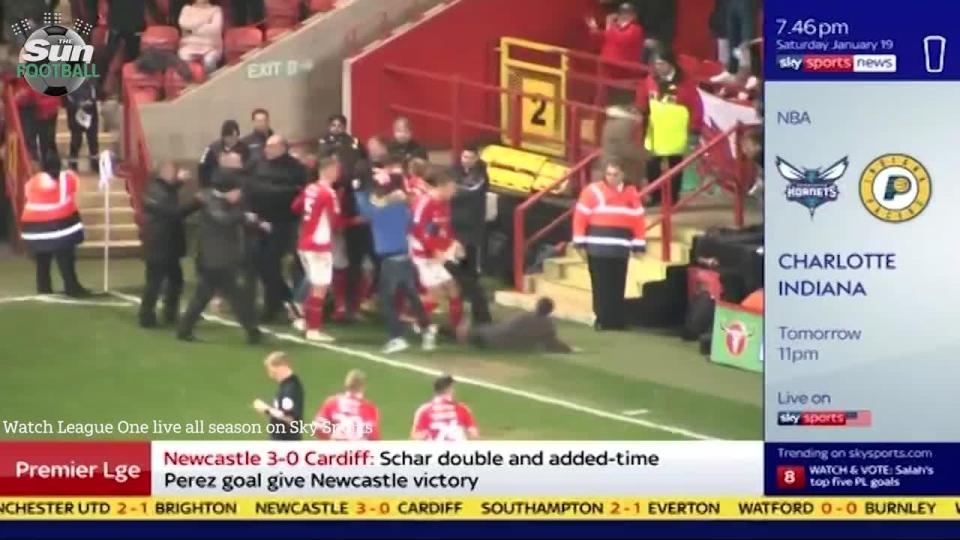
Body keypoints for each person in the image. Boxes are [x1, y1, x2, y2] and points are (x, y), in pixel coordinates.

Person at [177, 164, 262, 343]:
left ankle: (184, 328)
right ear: (228, 190)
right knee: (237, 296)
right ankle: (253, 331)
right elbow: (224, 219)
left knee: (204, 295)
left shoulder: (210, 198)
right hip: (218, 260)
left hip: (213, 258)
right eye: (237, 190)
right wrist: (244, 216)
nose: (239, 194)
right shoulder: (214, 203)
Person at [354, 173, 437, 354]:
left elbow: (364, 207)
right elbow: (419, 223)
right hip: (404, 258)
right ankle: (427, 327)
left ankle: (397, 337)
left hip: (392, 260)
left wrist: (358, 190)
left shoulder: (379, 209)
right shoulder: (401, 207)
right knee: (410, 294)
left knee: (387, 299)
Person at [572, 161, 646, 331]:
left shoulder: (631, 193)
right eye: (609, 174)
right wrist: (580, 244)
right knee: (601, 286)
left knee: (617, 285)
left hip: (620, 249)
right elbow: (580, 218)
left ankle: (615, 320)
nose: (611, 178)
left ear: (623, 176)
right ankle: (602, 319)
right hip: (598, 248)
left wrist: (638, 246)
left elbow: (638, 220)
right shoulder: (592, 191)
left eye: (615, 174)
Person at [246, 134, 308, 322]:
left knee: (271, 263)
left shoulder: (296, 168)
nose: (267, 150)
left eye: (272, 146)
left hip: (283, 223)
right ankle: (283, 299)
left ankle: (277, 304)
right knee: (260, 263)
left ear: (282, 147)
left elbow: (295, 193)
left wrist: (267, 190)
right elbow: (249, 186)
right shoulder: (257, 164)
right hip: (259, 221)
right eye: (267, 146)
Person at [638, 48, 703, 206]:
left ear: (670, 63)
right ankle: (655, 197)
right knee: (651, 166)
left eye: (661, 63)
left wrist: (694, 130)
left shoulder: (685, 83)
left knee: (675, 168)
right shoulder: (650, 80)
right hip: (655, 132)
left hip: (675, 134)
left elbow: (696, 107)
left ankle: (672, 199)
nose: (658, 67)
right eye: (656, 64)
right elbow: (642, 101)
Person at [138, 162, 200, 328]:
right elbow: (174, 212)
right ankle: (148, 316)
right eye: (174, 172)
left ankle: (166, 313)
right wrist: (196, 203)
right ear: (166, 173)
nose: (176, 175)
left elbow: (168, 193)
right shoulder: (159, 193)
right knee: (156, 282)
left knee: (173, 280)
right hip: (162, 244)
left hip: (162, 244)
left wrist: (179, 183)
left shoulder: (154, 189)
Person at [20, 153, 89, 296]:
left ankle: (43, 287)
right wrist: (68, 171)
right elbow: (75, 184)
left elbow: (27, 194)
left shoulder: (33, 181)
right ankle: (71, 286)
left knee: (42, 259)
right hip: (60, 226)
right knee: (65, 257)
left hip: (33, 228)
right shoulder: (67, 179)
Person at [290, 155, 341, 342]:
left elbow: (295, 206)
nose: (338, 173)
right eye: (336, 169)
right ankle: (313, 329)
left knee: (314, 284)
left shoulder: (310, 188)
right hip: (319, 245)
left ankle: (304, 320)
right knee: (320, 287)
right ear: (328, 170)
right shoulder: (329, 193)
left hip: (304, 243)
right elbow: (334, 221)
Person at [410, 172, 464, 332]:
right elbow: (417, 230)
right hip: (424, 256)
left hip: (437, 254)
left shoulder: (444, 203)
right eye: (452, 188)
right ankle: (417, 321)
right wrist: (433, 250)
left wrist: (454, 242)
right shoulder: (425, 203)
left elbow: (444, 228)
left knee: (453, 289)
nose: (455, 191)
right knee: (436, 295)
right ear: (442, 186)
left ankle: (456, 328)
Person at [449, 145, 492, 324]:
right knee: (456, 270)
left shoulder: (481, 175)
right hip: (456, 229)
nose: (465, 160)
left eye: (469, 157)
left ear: (476, 158)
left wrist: (452, 190)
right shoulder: (454, 171)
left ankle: (479, 315)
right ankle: (460, 310)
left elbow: (471, 191)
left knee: (471, 273)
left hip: (473, 231)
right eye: (464, 156)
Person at [458, 297, 573, 353]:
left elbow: (506, 325)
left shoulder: (524, 316)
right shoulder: (547, 325)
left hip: (492, 335)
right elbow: (552, 344)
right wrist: (569, 349)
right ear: (550, 311)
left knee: (477, 332)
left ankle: (451, 333)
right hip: (502, 342)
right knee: (477, 334)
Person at [97, 0, 160, 94]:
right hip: (120, 25)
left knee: (135, 65)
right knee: (115, 64)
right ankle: (109, 94)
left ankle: (114, 94)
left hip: (137, 25)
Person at [587, 1, 644, 102]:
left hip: (624, 70)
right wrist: (594, 29)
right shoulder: (614, 26)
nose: (624, 15)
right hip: (607, 66)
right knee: (602, 94)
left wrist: (609, 25)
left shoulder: (636, 29)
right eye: (622, 12)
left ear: (634, 15)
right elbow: (602, 38)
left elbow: (620, 39)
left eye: (627, 13)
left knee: (621, 97)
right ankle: (596, 115)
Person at [313, 369, 380, 441]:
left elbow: (317, 428)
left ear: (346, 384)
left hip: (333, 450)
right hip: (357, 451)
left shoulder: (332, 402)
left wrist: (331, 439)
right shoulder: (370, 408)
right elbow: (374, 437)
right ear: (363, 387)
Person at [252, 351, 304, 441]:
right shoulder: (288, 385)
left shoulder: (290, 389)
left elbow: (290, 418)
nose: (270, 375)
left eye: (271, 370)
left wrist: (266, 409)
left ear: (281, 367)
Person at [411, 374, 478, 441]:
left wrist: (430, 431)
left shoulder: (424, 410)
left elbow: (416, 436)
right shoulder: (462, 408)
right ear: (449, 389)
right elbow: (473, 434)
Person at [199, 119, 249, 188]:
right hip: (216, 187)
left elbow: (248, 171)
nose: (234, 140)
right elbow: (202, 167)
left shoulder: (245, 149)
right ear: (224, 136)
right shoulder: (212, 149)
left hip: (238, 188)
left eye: (236, 136)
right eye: (231, 137)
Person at [177, 0, 224, 74]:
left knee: (209, 61)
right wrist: (204, 20)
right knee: (183, 58)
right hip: (189, 46)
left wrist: (192, 30)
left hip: (210, 47)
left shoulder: (216, 10)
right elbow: (183, 23)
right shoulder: (187, 9)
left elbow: (214, 30)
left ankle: (211, 83)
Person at [64, 80, 99, 173]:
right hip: (74, 109)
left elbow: (94, 91)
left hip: (90, 109)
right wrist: (76, 104)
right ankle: (73, 162)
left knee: (92, 137)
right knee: (76, 137)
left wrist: (90, 101)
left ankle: (94, 161)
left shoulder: (90, 77)